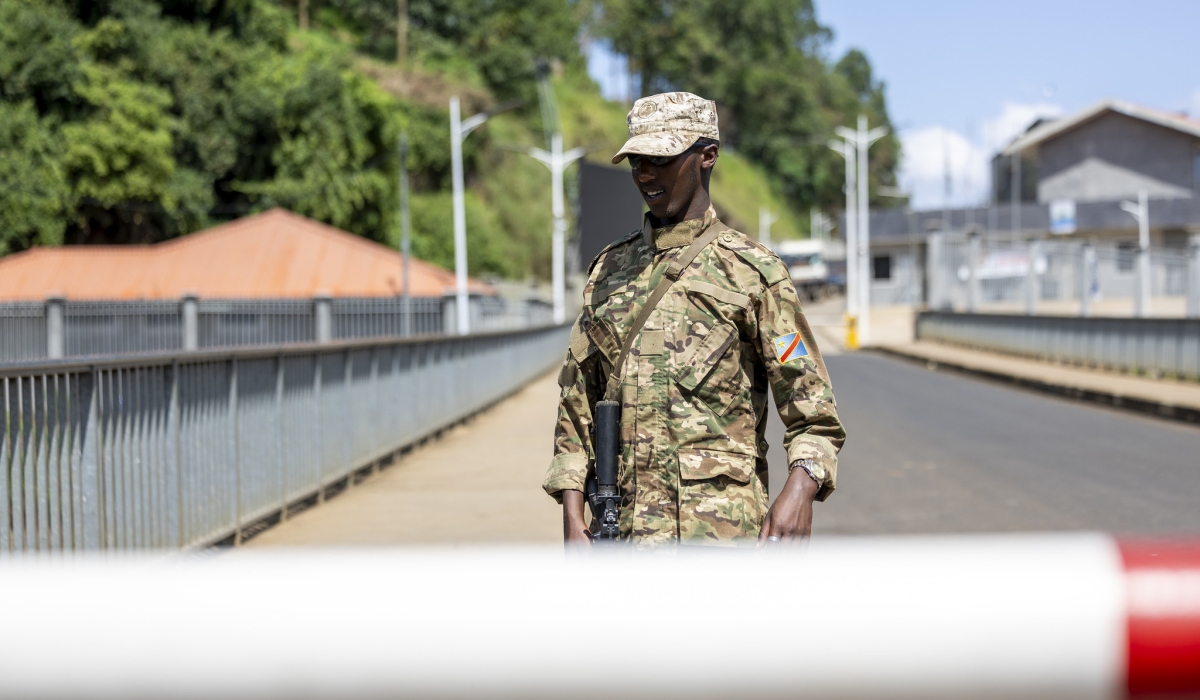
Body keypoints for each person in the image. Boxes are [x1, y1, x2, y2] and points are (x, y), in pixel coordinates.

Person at [542, 91, 846, 548]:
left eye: (661, 159)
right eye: (637, 161)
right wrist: (571, 514)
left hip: (723, 545)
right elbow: (576, 406)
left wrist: (800, 488)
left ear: (707, 156)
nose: (645, 174)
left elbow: (814, 415)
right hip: (624, 542)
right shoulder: (607, 272)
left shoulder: (755, 273)